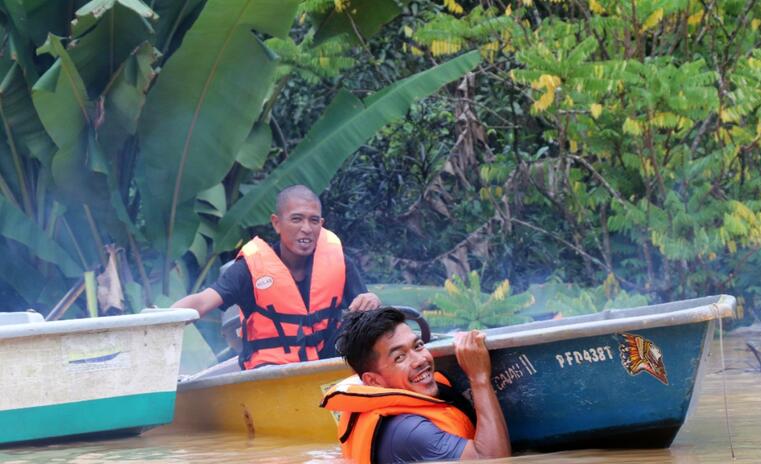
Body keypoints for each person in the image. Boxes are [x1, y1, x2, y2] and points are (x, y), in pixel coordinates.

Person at [173, 185, 381, 369]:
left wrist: (371, 300)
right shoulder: (249, 269)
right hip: (271, 373)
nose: (306, 228)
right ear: (276, 223)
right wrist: (161, 320)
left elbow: (365, 308)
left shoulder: (340, 263)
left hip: (326, 366)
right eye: (296, 219)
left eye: (314, 220)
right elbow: (202, 301)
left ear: (321, 224)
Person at [321, 307, 511, 463]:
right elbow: (492, 460)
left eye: (418, 345)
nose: (420, 360)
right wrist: (479, 377)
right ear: (373, 381)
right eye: (400, 357)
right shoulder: (408, 431)